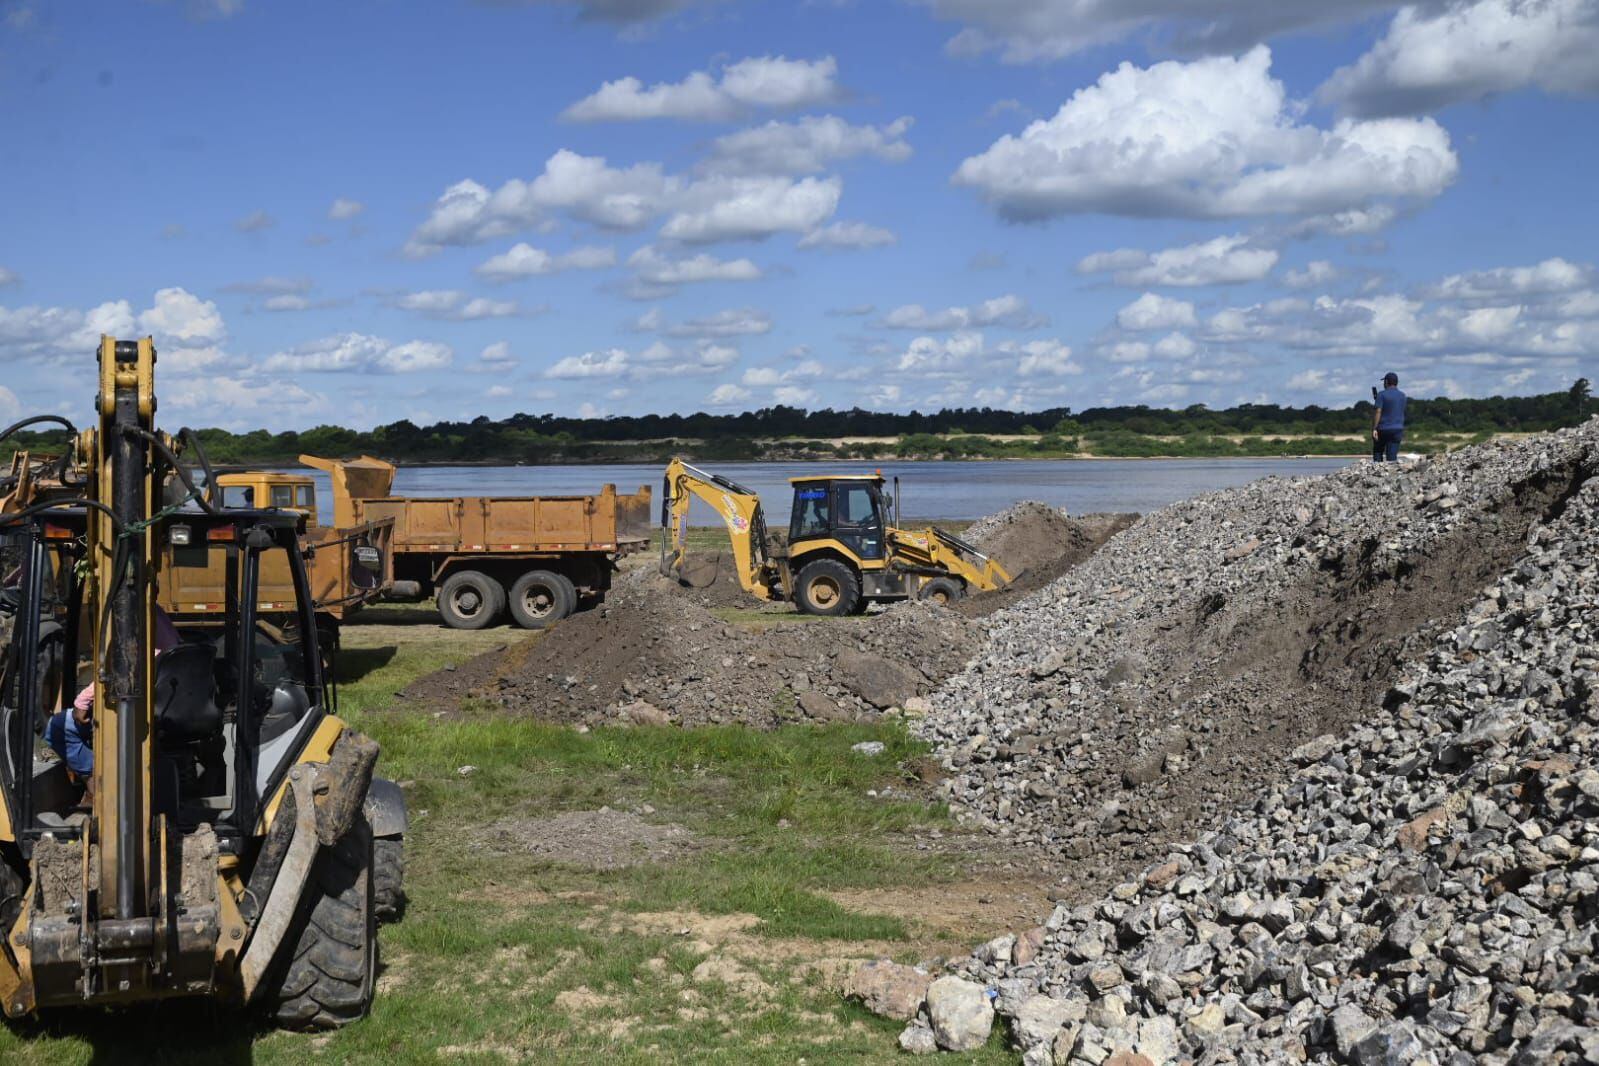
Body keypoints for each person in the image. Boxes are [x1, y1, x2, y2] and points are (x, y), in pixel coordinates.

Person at [45, 606, 180, 796]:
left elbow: (123, 669)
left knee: (57, 727)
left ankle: (96, 780)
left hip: (141, 709)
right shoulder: (156, 612)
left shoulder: (131, 611)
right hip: (164, 703)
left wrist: (82, 702)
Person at [1372, 372, 1407, 463]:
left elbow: (1378, 411)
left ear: (1386, 382)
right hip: (1397, 429)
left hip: (1383, 428)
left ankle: (1377, 469)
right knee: (1392, 457)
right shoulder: (1402, 395)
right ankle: (1390, 473)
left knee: (1378, 451)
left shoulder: (1381, 395)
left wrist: (1375, 428)